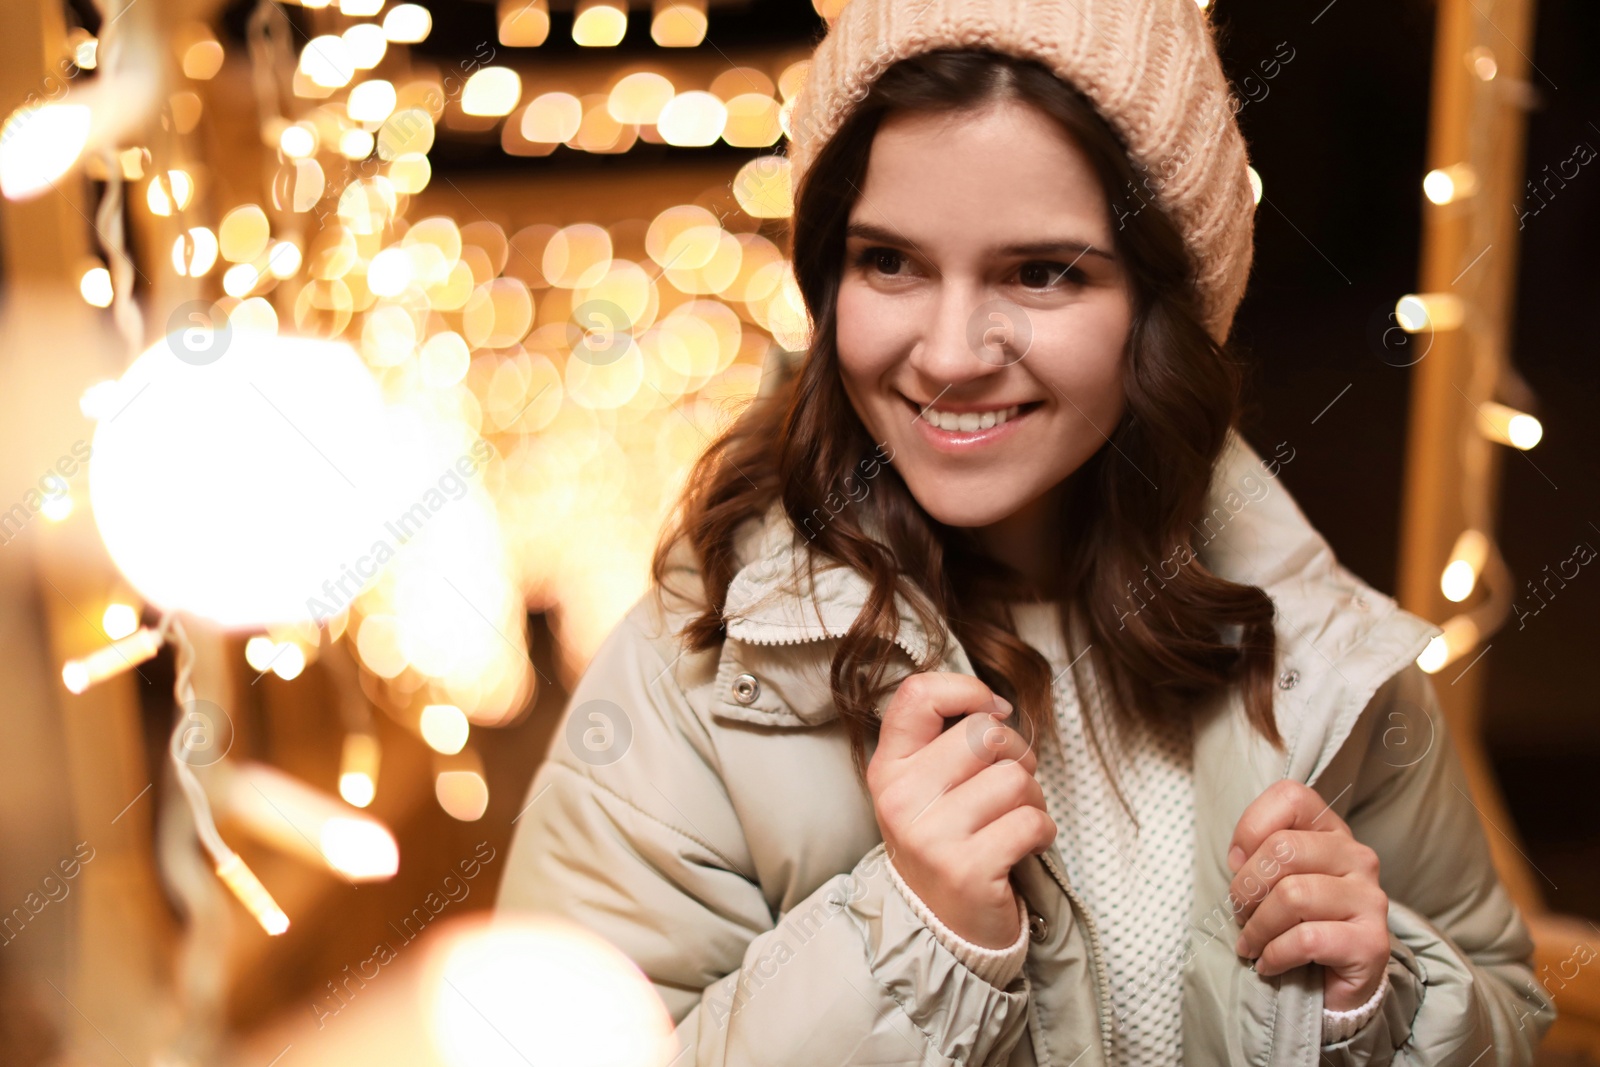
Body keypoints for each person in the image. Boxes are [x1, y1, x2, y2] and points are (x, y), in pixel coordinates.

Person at [497, 0, 1556, 1063]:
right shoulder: (693, 677)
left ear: (1160, 301)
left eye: (1041, 271)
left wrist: (1377, 1003)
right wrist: (911, 937)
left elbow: (1507, 1013)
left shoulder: (1323, 650)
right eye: (890, 262)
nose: (951, 353)